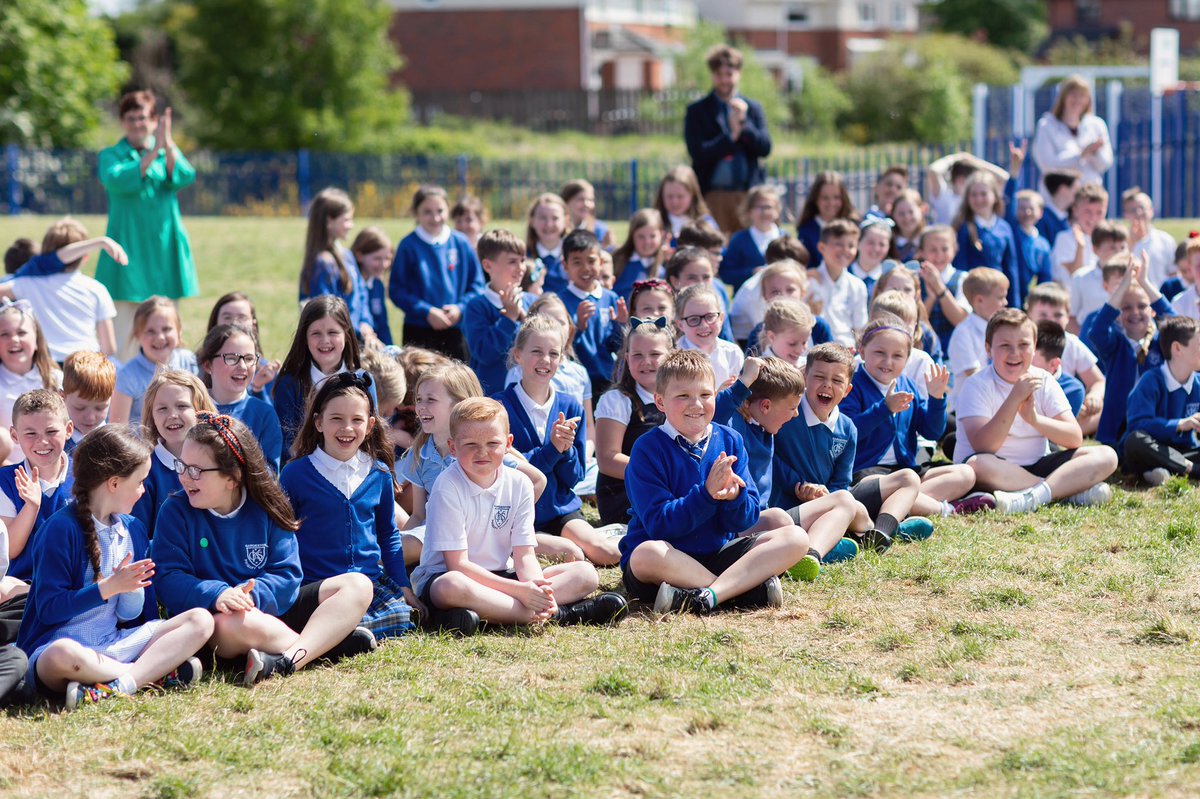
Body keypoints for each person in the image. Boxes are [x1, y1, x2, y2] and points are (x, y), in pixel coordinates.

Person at [150, 414, 376, 686]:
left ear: (232, 478)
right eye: (182, 466)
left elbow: (287, 574)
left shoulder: (266, 506)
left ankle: (286, 659)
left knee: (357, 585)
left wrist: (250, 595)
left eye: (196, 470)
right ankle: (319, 647)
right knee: (240, 622)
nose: (185, 477)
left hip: (269, 610)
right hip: (219, 623)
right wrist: (218, 593)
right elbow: (168, 577)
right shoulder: (175, 511)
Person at [16, 426, 213, 710]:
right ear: (114, 483)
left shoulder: (132, 528)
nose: (143, 490)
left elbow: (130, 616)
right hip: (63, 649)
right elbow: (48, 609)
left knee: (201, 620)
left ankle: (117, 685)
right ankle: (150, 674)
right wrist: (110, 587)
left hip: (115, 644)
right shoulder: (60, 528)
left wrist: (130, 592)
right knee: (62, 654)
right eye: (140, 481)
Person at [410, 398, 627, 633]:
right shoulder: (447, 486)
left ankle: (492, 615)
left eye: (493, 443)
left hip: (502, 576)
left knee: (585, 574)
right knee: (450, 587)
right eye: (470, 444)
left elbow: (524, 555)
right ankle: (561, 614)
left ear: (508, 443)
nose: (482, 452)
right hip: (452, 576)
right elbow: (458, 565)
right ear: (453, 447)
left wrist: (535, 587)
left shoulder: (520, 483)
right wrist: (521, 592)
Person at [619, 350, 810, 614]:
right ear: (660, 401)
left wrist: (735, 498)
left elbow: (744, 520)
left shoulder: (730, 439)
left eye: (705, 395)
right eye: (683, 396)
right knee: (646, 554)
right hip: (668, 560)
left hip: (718, 554)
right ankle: (739, 591)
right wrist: (706, 495)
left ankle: (707, 595)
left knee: (796, 537)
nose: (696, 404)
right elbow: (659, 524)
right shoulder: (647, 449)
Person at [282, 372, 420, 640]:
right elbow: (282, 535)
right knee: (306, 612)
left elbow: (388, 536)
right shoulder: (295, 474)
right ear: (319, 422)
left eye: (356, 420)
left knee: (400, 614)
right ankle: (340, 633)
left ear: (369, 426)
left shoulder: (378, 473)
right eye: (336, 419)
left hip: (369, 584)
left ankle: (338, 634)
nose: (347, 428)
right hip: (319, 585)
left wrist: (402, 585)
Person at [955, 309, 1117, 512]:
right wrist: (1014, 398)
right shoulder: (976, 384)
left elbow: (1073, 438)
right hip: (995, 468)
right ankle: (1065, 490)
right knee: (977, 465)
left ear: (1034, 348)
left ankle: (1033, 496)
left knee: (1107, 455)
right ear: (988, 349)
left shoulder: (1044, 379)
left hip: (1037, 462)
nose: (1015, 353)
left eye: (1023, 345)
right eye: (1005, 345)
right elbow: (984, 446)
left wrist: (1034, 419)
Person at [714, 356, 865, 572]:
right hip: (742, 526)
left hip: (765, 521)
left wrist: (801, 485)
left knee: (844, 499)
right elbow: (715, 413)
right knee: (779, 519)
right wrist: (743, 384)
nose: (796, 414)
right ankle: (806, 549)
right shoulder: (733, 425)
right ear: (765, 406)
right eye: (792, 408)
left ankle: (811, 554)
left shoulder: (767, 427)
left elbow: (775, 466)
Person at [496, 316, 621, 565]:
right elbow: (511, 474)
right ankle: (515, 545)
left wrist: (566, 450)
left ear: (562, 359)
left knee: (608, 554)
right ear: (517, 355)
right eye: (536, 351)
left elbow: (575, 477)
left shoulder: (570, 404)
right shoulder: (499, 407)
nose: (545, 360)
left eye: (554, 353)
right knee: (573, 555)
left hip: (559, 508)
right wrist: (553, 449)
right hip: (517, 516)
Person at [842, 316, 993, 517]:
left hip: (907, 470)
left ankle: (899, 504)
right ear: (862, 351)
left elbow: (931, 432)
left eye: (897, 356)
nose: (888, 361)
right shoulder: (853, 384)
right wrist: (884, 408)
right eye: (879, 353)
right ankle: (946, 509)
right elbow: (848, 432)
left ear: (907, 359)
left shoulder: (908, 384)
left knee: (966, 474)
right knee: (890, 484)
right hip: (867, 472)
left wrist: (937, 399)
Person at [96, 90, 198, 349]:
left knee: (165, 331)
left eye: (142, 118)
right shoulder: (111, 155)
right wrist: (154, 152)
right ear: (122, 122)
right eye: (130, 118)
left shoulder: (167, 151)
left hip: (163, 251)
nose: (137, 124)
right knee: (124, 339)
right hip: (127, 251)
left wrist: (168, 144)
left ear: (154, 121)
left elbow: (185, 176)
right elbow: (116, 180)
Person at [1087, 255, 1177, 450]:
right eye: (1126, 308)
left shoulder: (1161, 342)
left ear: (1153, 311)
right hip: (1117, 427)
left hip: (1153, 420)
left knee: (1148, 446)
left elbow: (1179, 327)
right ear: (1117, 315)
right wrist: (1124, 284)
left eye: (1143, 306)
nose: (1135, 312)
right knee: (1122, 452)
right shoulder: (1115, 343)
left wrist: (1143, 282)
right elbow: (1096, 331)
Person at [0, 218, 120, 360]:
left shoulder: (25, 283)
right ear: (85, 257)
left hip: (45, 367)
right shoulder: (97, 289)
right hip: (85, 367)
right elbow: (109, 348)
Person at [684, 45, 772, 235]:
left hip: (747, 194)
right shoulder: (698, 111)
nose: (724, 80)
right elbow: (698, 152)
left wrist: (743, 124)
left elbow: (765, 147)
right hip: (713, 194)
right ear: (712, 75)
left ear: (738, 73)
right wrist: (730, 137)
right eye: (719, 74)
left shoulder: (753, 109)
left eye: (729, 74)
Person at [389, 186, 485, 360]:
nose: (435, 217)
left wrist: (460, 308)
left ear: (448, 210)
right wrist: (426, 311)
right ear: (416, 213)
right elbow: (396, 290)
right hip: (418, 331)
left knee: (456, 384)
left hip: (456, 329)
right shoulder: (408, 246)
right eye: (427, 212)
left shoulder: (460, 243)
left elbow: (477, 284)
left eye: (440, 210)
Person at [595, 320, 675, 526]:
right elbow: (607, 459)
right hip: (625, 498)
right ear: (627, 358)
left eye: (655, 354)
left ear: (671, 356)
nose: (646, 361)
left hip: (671, 491)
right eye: (637, 355)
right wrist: (661, 475)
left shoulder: (681, 398)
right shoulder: (617, 400)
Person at [272, 297, 368, 465]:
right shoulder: (290, 384)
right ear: (305, 337)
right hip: (306, 475)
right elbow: (287, 445)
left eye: (333, 332)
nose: (325, 341)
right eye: (316, 333)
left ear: (346, 334)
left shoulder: (364, 380)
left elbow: (371, 436)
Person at [0, 390, 75, 581]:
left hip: (74, 585)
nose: (42, 441)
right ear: (15, 436)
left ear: (68, 430)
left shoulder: (86, 476)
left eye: (51, 431)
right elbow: (10, 550)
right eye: (30, 433)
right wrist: (31, 507)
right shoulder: (6, 480)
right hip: (24, 587)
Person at [131, 370, 216, 539]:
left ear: (201, 410)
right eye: (162, 409)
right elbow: (138, 534)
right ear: (152, 416)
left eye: (182, 406)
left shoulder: (217, 463)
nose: (172, 415)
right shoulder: (144, 471)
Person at [1123, 316, 1200, 485]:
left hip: (1184, 451)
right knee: (1135, 441)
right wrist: (1179, 424)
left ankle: (1162, 471)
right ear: (1177, 348)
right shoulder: (1151, 381)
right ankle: (1190, 469)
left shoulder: (1198, 383)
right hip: (1153, 448)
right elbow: (1138, 425)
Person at [197, 324, 283, 473]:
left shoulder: (264, 415)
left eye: (249, 358)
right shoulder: (192, 409)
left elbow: (269, 477)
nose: (242, 366)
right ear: (207, 365)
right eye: (231, 358)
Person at [555, 229, 627, 397]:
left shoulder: (610, 298)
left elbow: (616, 347)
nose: (585, 268)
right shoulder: (559, 301)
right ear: (565, 265)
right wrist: (578, 327)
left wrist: (622, 325)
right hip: (574, 383)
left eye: (591, 260)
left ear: (601, 263)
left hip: (609, 381)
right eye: (577, 262)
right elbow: (559, 347)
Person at [464, 230, 536, 395]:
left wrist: (525, 317)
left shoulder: (532, 301)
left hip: (530, 396)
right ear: (488, 265)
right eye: (512, 261)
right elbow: (484, 353)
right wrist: (509, 319)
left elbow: (542, 342)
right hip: (492, 398)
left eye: (523, 260)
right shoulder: (477, 306)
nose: (520, 268)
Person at [298, 188, 374, 346]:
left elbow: (361, 294)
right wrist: (357, 332)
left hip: (357, 338)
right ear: (328, 221)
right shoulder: (322, 264)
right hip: (340, 344)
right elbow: (326, 313)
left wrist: (366, 323)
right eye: (346, 220)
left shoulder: (347, 255)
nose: (351, 225)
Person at [110, 297, 198, 425]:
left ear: (179, 331)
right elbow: (117, 428)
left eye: (167, 329)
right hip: (144, 443)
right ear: (137, 335)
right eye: (150, 331)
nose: (160, 337)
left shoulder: (189, 362)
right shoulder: (127, 375)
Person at [0, 301, 62, 465]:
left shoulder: (55, 379)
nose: (14, 339)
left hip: (51, 467)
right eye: (4, 334)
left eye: (21, 332)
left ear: (36, 340)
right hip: (8, 471)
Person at [1032, 75, 1113, 187]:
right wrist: (1080, 156)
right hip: (1059, 196)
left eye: (1082, 96)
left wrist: (1094, 152)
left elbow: (1106, 163)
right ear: (1063, 97)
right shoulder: (1047, 125)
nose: (1078, 100)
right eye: (1073, 95)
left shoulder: (1096, 125)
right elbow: (1047, 164)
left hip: (1089, 194)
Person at [953, 173, 1019, 309]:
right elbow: (961, 266)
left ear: (994, 196)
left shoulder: (1004, 227)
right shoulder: (964, 227)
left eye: (983, 194)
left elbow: (1011, 268)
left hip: (999, 296)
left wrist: (1015, 305)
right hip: (975, 297)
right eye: (974, 195)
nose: (978, 199)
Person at [947, 268, 1010, 406]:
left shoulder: (1001, 329)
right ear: (979, 300)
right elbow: (974, 374)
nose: (1005, 302)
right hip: (968, 405)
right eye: (1000, 297)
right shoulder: (963, 333)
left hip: (997, 401)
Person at [807, 219, 867, 348]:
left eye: (851, 246)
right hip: (814, 351)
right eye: (839, 244)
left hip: (846, 350)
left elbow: (860, 328)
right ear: (822, 247)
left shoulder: (857, 286)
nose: (845, 250)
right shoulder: (808, 281)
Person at [675, 284, 743, 388]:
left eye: (710, 316)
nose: (704, 325)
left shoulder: (732, 353)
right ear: (680, 325)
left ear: (721, 318)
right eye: (693, 319)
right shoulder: (674, 357)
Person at [720, 185, 783, 291]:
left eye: (768, 207)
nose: (764, 212)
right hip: (747, 301)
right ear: (749, 211)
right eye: (759, 207)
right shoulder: (739, 239)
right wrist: (752, 272)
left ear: (777, 211)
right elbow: (726, 273)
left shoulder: (784, 238)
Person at [796, 172, 858, 269]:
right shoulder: (807, 230)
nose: (831, 203)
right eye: (825, 198)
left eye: (836, 197)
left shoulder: (854, 226)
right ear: (815, 199)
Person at [62, 351, 116, 455]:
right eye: (80, 408)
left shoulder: (116, 443)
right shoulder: (54, 444)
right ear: (62, 398)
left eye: (100, 408)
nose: (90, 417)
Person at [349, 226, 395, 347]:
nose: (383, 264)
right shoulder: (349, 285)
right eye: (377, 258)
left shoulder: (377, 284)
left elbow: (383, 324)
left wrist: (389, 349)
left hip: (374, 347)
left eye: (387, 258)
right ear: (359, 256)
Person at [1124, 188, 1177, 289]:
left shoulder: (1166, 240)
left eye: (1142, 207)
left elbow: (1174, 275)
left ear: (1151, 211)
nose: (1138, 212)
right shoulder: (1120, 242)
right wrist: (1131, 244)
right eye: (1132, 210)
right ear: (1125, 214)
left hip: (1159, 299)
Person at [611, 209, 667, 301]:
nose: (647, 242)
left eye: (652, 236)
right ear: (632, 236)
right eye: (641, 236)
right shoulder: (618, 261)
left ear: (661, 234)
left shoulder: (665, 266)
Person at [653, 165, 717, 244]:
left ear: (693, 195)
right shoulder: (654, 223)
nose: (674, 202)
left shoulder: (706, 225)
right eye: (669, 196)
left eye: (680, 196)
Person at [525, 193, 573, 297]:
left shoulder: (575, 256)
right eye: (542, 218)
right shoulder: (522, 257)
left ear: (566, 221)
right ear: (532, 221)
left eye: (555, 218)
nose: (548, 224)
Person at [561, 180, 613, 250]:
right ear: (566, 201)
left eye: (591, 200)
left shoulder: (600, 230)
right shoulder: (556, 229)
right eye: (580, 199)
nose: (587, 204)